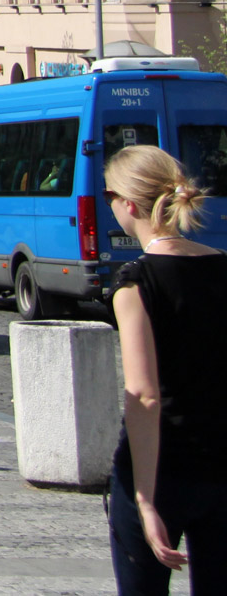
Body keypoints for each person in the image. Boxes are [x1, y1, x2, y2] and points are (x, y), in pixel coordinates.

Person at [103, 144, 224, 595]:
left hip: (161, 466)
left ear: (128, 204)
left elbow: (145, 395)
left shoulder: (136, 282)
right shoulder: (222, 267)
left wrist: (145, 498)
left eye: (108, 194)